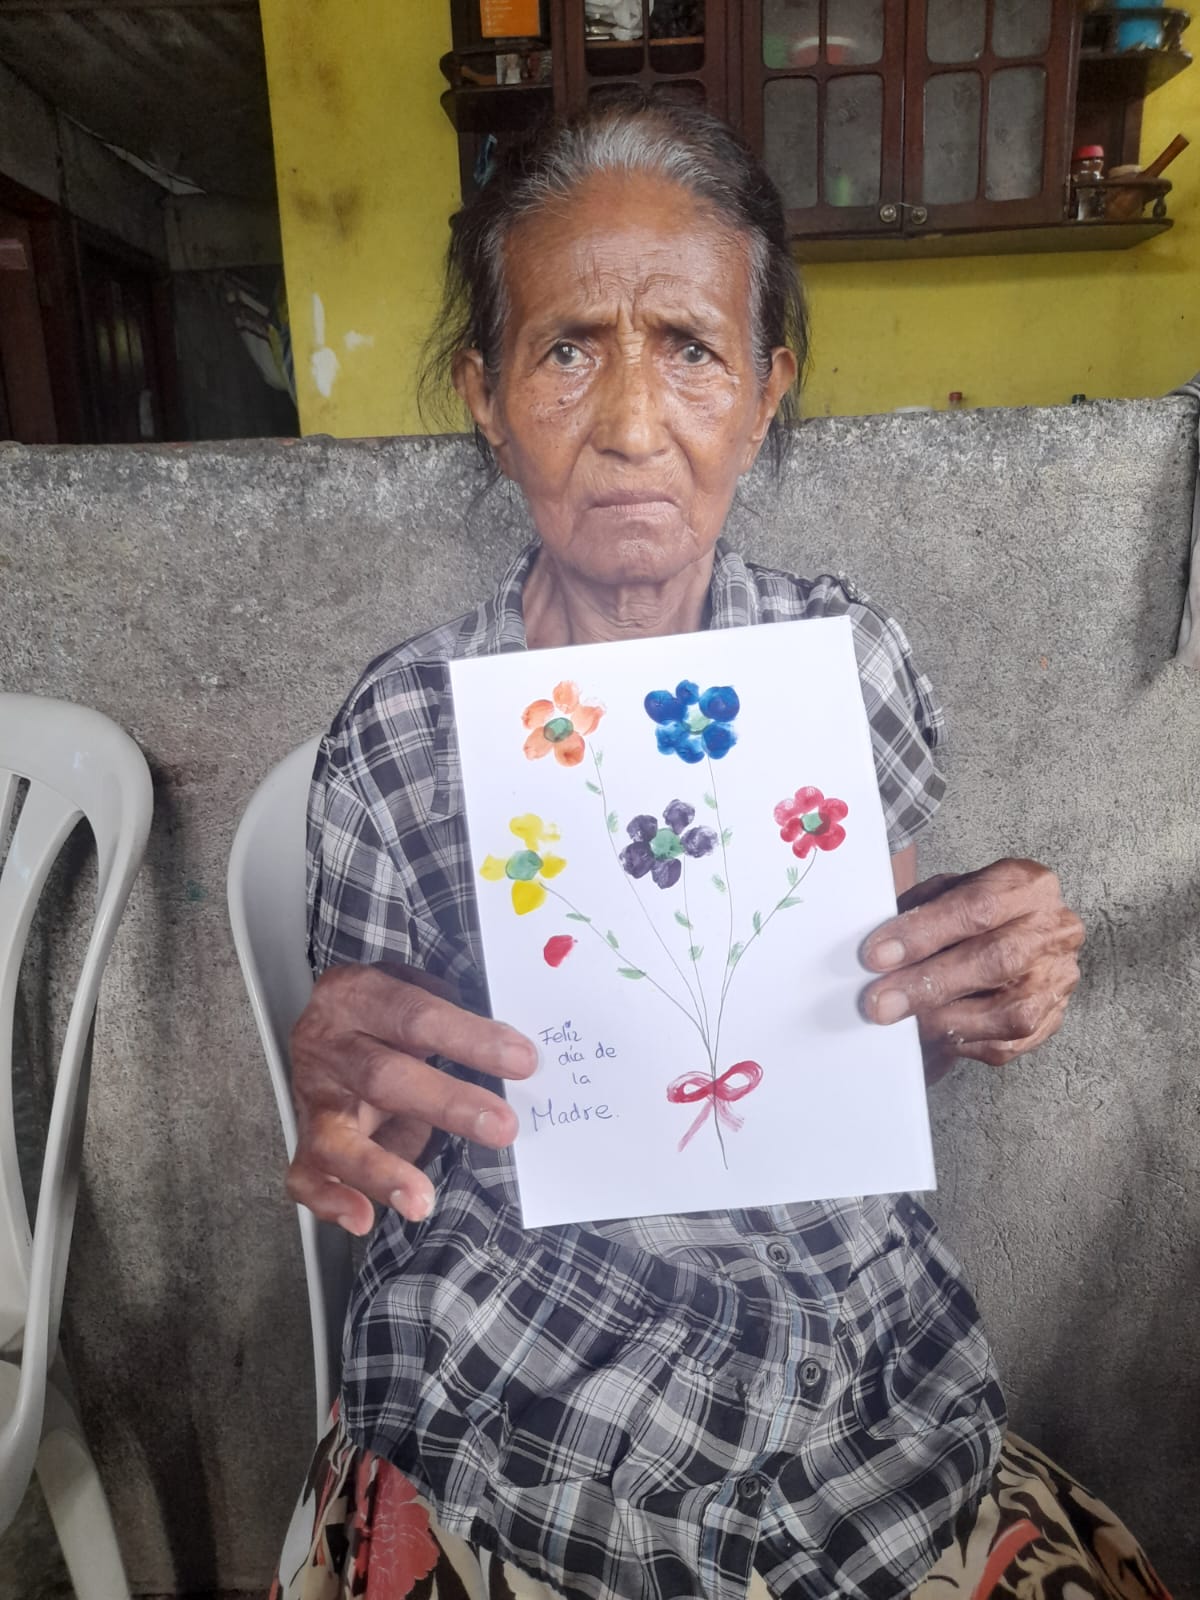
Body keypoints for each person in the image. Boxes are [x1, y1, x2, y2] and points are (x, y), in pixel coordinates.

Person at [272, 100, 1168, 1600]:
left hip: (847, 1355)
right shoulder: (405, 728)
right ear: (487, 395)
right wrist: (346, 1108)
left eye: (690, 349)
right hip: (522, 1361)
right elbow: (381, 1132)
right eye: (569, 351)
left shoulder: (844, 668)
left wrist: (968, 987)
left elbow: (853, 1050)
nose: (634, 424)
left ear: (765, 392)